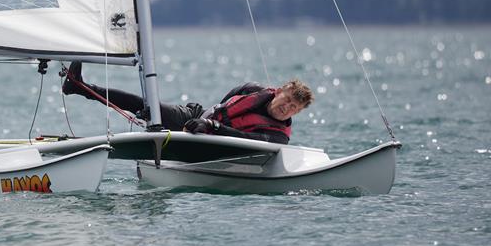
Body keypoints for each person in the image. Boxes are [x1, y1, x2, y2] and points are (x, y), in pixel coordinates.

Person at [62, 61, 313, 145]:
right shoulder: (253, 89)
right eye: (288, 99)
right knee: (149, 107)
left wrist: (213, 128)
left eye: (294, 107)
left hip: (215, 136)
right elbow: (223, 104)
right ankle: (79, 86)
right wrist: (206, 120)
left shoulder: (278, 137)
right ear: (279, 91)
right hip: (197, 117)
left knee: (153, 111)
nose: (287, 107)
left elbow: (244, 138)